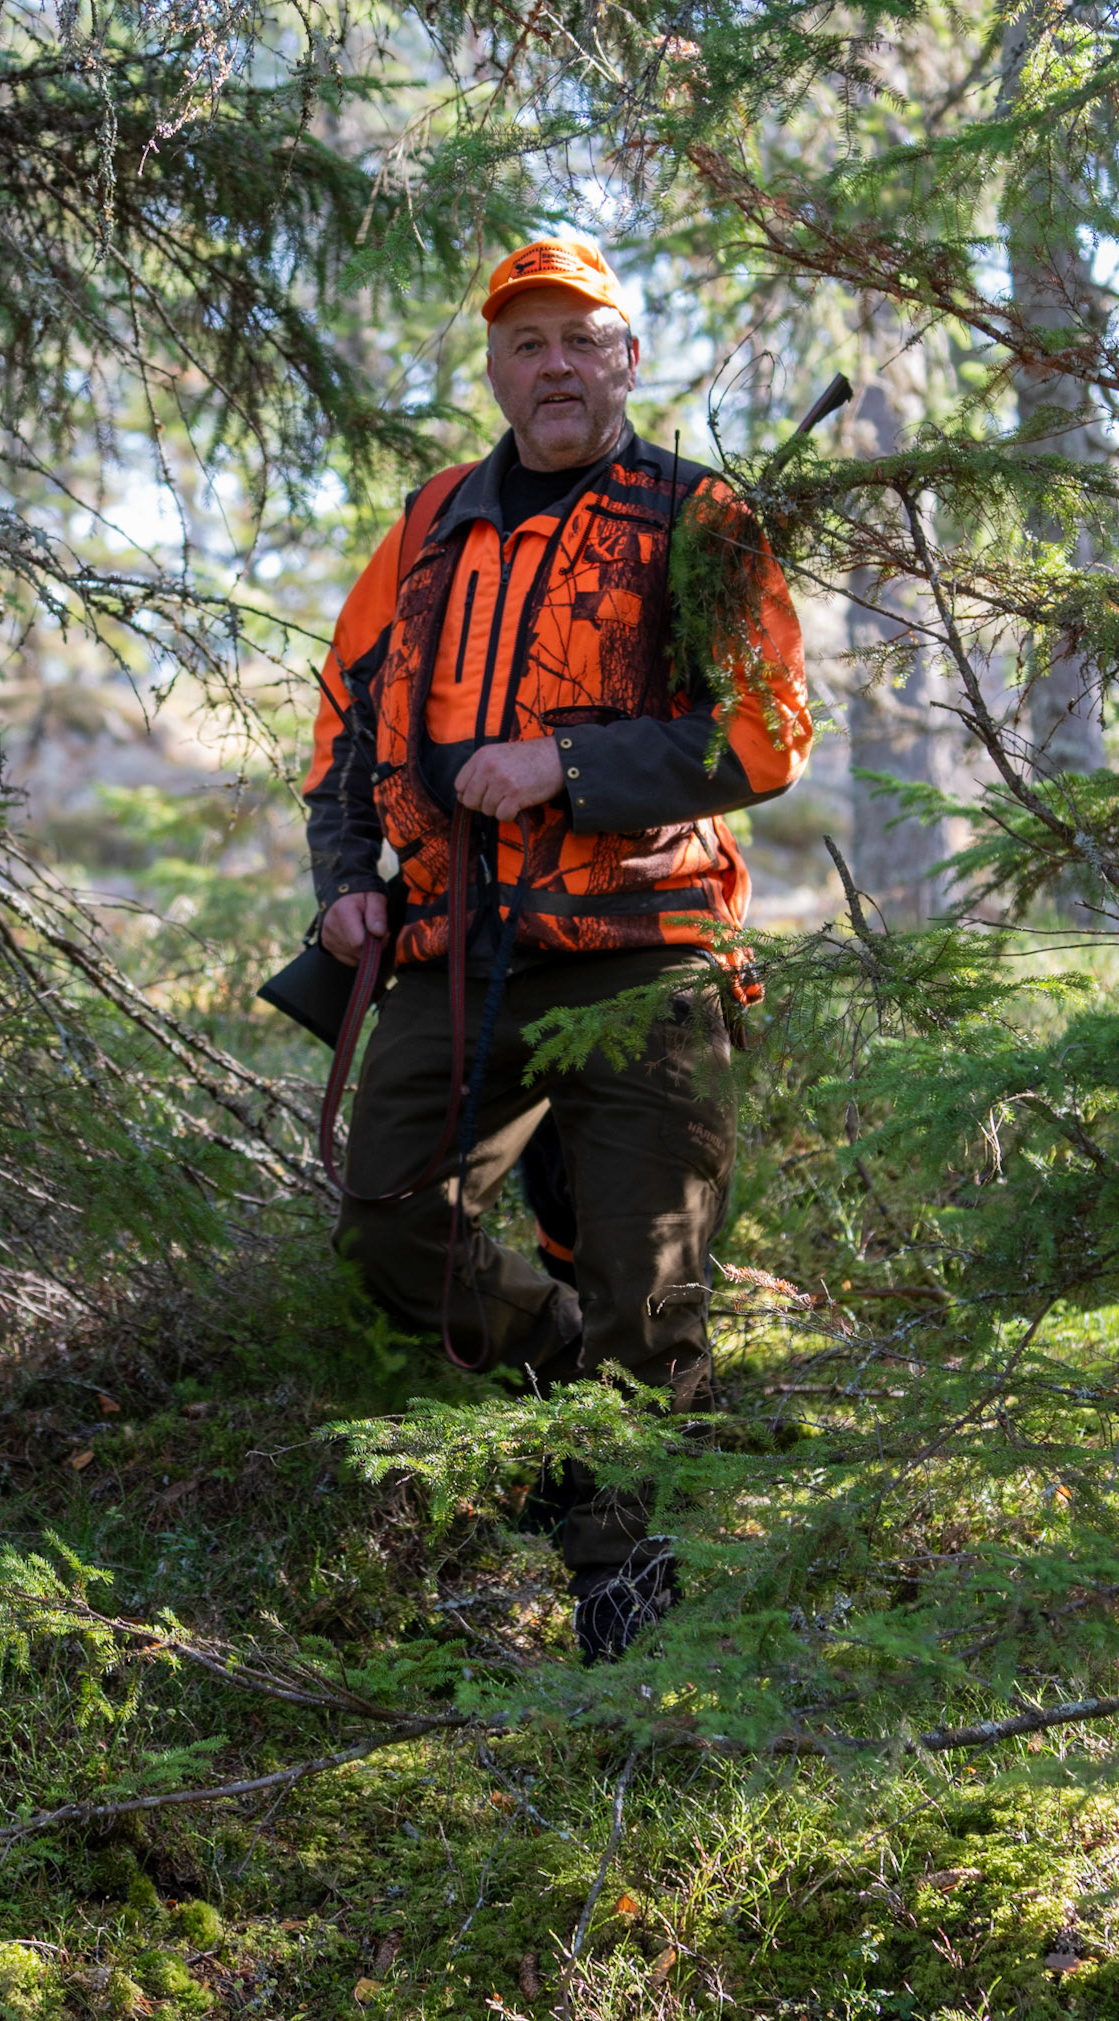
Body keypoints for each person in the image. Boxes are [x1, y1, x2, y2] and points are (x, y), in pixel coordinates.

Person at [304, 238, 811, 1661]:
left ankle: (622, 1607)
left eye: (581, 340)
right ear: (494, 370)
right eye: (527, 344)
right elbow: (346, 725)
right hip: (458, 949)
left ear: (626, 358)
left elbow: (764, 732)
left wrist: (565, 773)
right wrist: (348, 882)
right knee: (394, 1223)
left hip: (642, 946)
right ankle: (581, 1395)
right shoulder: (428, 527)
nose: (555, 367)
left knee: (648, 1275)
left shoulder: (697, 515)